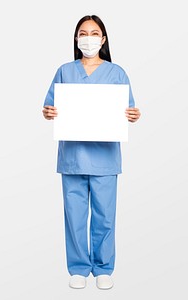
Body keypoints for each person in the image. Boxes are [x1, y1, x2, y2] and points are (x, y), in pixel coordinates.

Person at [42, 15, 141, 290]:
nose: (88, 38)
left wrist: (133, 114)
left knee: (104, 215)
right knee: (74, 216)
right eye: (83, 33)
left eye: (94, 33)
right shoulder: (64, 71)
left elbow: (129, 108)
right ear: (76, 39)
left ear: (103, 39)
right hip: (72, 157)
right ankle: (78, 268)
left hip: (105, 158)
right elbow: (49, 106)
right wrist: (48, 112)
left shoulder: (117, 73)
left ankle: (103, 267)